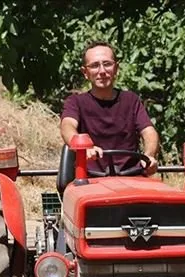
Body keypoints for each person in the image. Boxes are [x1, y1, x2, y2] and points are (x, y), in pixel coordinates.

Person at [60, 41, 159, 176]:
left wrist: (149, 156)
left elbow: (149, 131)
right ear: (85, 72)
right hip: (89, 178)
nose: (102, 71)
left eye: (107, 64)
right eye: (95, 66)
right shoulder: (75, 102)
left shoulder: (131, 100)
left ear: (116, 68)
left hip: (131, 175)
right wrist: (83, 147)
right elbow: (67, 126)